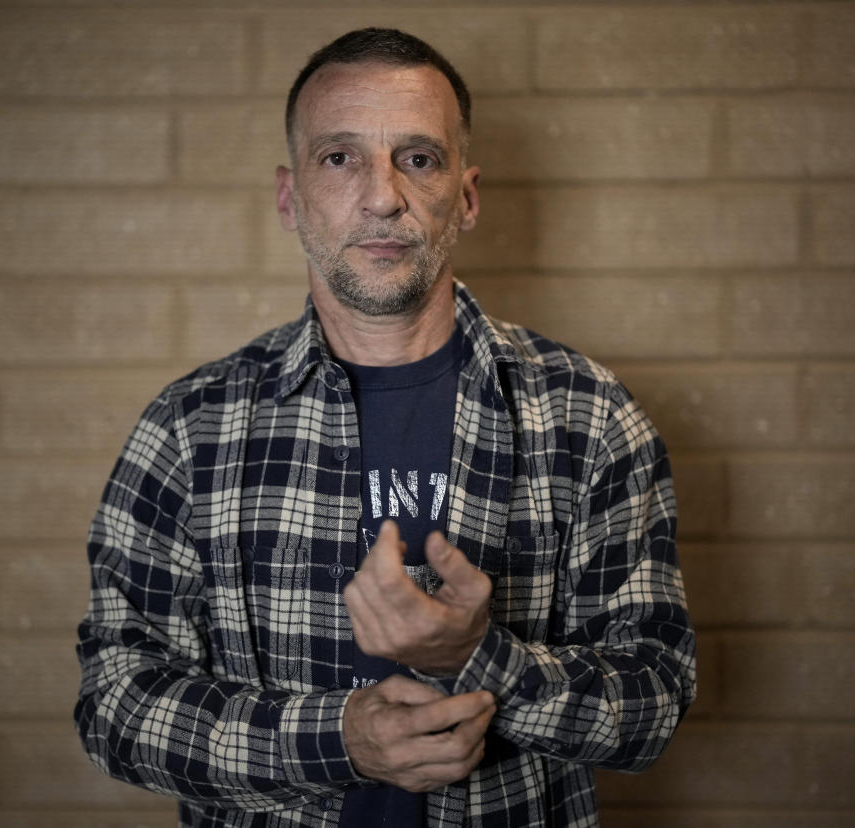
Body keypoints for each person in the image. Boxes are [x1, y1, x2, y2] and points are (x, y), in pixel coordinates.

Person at [75, 27, 696, 828]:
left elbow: (653, 701)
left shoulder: (591, 415)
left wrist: (478, 658)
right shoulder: (190, 430)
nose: (381, 197)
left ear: (465, 196)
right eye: (339, 158)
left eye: (418, 158)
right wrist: (341, 741)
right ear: (290, 196)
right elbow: (116, 703)